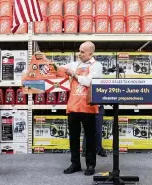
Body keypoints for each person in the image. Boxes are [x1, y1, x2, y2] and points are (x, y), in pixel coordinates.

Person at [59, 41, 103, 176]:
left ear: (91, 53)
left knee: (90, 138)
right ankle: (75, 164)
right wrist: (45, 63)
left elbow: (89, 81)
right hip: (73, 106)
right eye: (79, 50)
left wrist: (75, 75)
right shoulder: (74, 64)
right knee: (73, 137)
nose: (80, 53)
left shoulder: (97, 66)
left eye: (83, 51)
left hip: (88, 107)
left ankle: (90, 165)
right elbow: (59, 69)